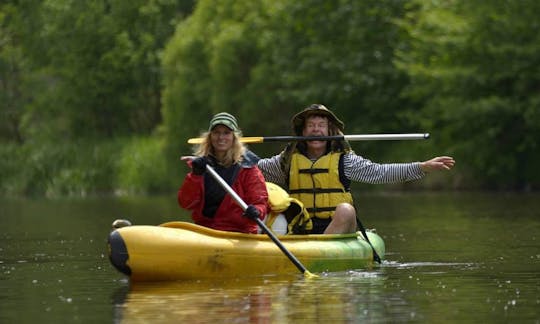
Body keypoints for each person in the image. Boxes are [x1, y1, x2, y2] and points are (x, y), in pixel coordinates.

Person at [258, 104, 455, 235]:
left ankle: (322, 249)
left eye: (321, 125)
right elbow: (254, 170)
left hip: (336, 226)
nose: (316, 130)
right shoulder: (286, 161)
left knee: (346, 210)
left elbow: (380, 173)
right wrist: (232, 153)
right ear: (303, 132)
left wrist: (422, 167)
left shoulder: (345, 161)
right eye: (310, 126)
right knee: (273, 208)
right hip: (300, 226)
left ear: (330, 132)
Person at [178, 112, 268, 234]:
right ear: (210, 137)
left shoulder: (249, 169)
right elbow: (185, 203)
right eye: (216, 132)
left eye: (226, 133)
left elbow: (260, 203)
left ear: (234, 138)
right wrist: (195, 176)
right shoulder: (202, 166)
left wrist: (256, 211)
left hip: (238, 232)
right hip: (205, 230)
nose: (221, 137)